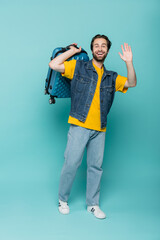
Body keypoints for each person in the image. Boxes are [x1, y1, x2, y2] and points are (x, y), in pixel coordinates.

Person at [49, 34, 137, 219]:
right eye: (96, 45)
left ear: (107, 50)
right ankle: (62, 200)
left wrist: (129, 62)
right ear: (92, 49)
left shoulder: (111, 76)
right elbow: (54, 65)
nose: (100, 48)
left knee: (95, 167)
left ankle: (93, 204)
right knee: (71, 163)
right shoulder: (79, 67)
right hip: (79, 124)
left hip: (100, 129)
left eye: (103, 46)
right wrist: (72, 51)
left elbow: (131, 82)